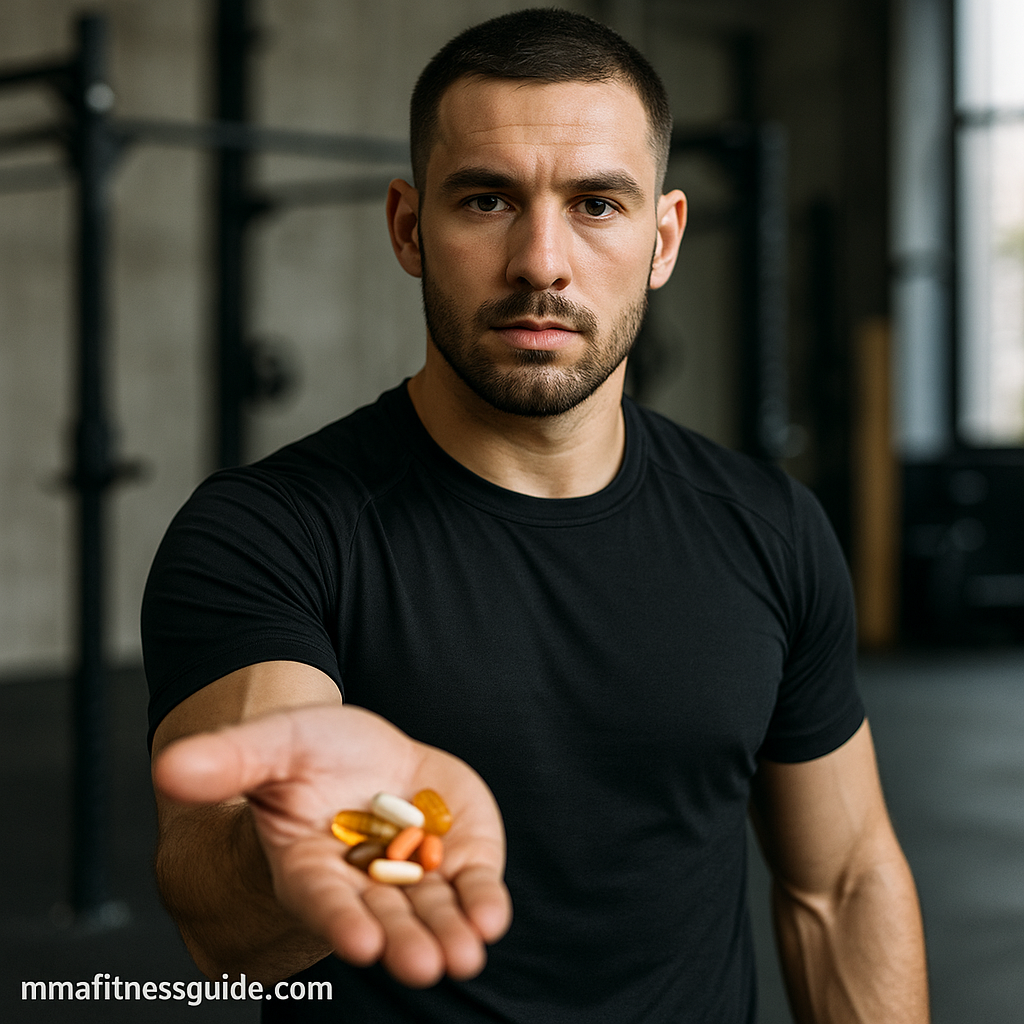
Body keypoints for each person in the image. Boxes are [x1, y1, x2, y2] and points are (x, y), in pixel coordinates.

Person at [143, 8, 929, 1022]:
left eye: (597, 203)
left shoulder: (769, 528)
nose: (540, 262)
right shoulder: (269, 535)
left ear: (663, 235)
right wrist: (357, 834)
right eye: (486, 199)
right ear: (408, 227)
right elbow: (221, 924)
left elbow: (845, 883)